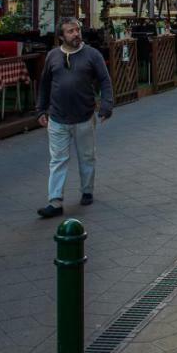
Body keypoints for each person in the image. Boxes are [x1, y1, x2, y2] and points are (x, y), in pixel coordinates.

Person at [36, 17, 114, 218]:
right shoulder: (53, 56)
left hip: (84, 116)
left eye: (77, 30)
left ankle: (87, 191)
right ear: (61, 36)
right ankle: (55, 201)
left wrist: (106, 105)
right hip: (57, 117)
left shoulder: (92, 55)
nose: (76, 34)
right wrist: (40, 109)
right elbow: (44, 84)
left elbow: (105, 80)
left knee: (87, 156)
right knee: (57, 160)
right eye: (70, 31)